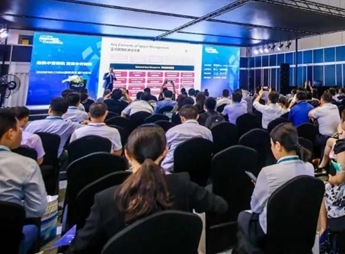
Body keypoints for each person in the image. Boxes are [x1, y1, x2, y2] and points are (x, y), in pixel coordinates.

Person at [68, 125, 227, 254]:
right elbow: (220, 206)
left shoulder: (105, 200)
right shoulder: (183, 184)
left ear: (126, 154)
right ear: (165, 152)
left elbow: (80, 247)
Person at [237, 123, 314, 249]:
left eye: (271, 145)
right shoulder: (309, 168)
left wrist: (259, 188)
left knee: (242, 217)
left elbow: (255, 208)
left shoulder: (268, 173)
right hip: (301, 226)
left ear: (278, 145)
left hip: (271, 231)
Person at [0, 108, 48, 254]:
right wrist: (14, 209)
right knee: (31, 228)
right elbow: (37, 208)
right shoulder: (27, 165)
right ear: (10, 133)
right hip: (7, 238)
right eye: (19, 128)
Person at [162, 105, 214, 172]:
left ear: (182, 118)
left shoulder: (171, 131)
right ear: (197, 116)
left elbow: (165, 150)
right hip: (201, 169)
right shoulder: (207, 132)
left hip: (173, 170)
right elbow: (210, 151)